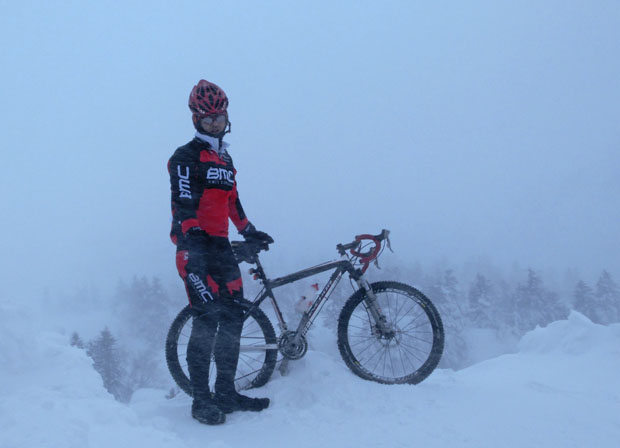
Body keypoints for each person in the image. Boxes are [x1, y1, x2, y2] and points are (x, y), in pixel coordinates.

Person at [168, 79, 273, 425]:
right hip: (194, 249)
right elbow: (183, 203)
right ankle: (201, 400)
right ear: (195, 119)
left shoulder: (225, 159)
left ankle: (225, 392)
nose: (214, 123)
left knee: (232, 319)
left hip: (221, 246)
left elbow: (232, 201)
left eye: (219, 117)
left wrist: (248, 231)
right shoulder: (185, 157)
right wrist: (191, 235)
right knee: (207, 321)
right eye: (207, 118)